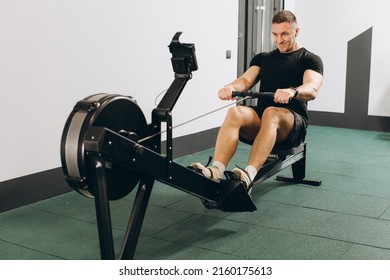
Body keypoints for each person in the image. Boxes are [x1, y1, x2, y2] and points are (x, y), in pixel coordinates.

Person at [191, 10, 324, 192]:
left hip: (292, 125)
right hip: (263, 122)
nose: (279, 40)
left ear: (296, 31)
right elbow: (245, 81)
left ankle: (249, 175)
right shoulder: (264, 58)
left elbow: (312, 88)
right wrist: (231, 87)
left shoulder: (310, 59)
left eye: (284, 33)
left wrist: (293, 91)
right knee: (235, 111)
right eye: (275, 34)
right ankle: (216, 170)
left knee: (272, 113)